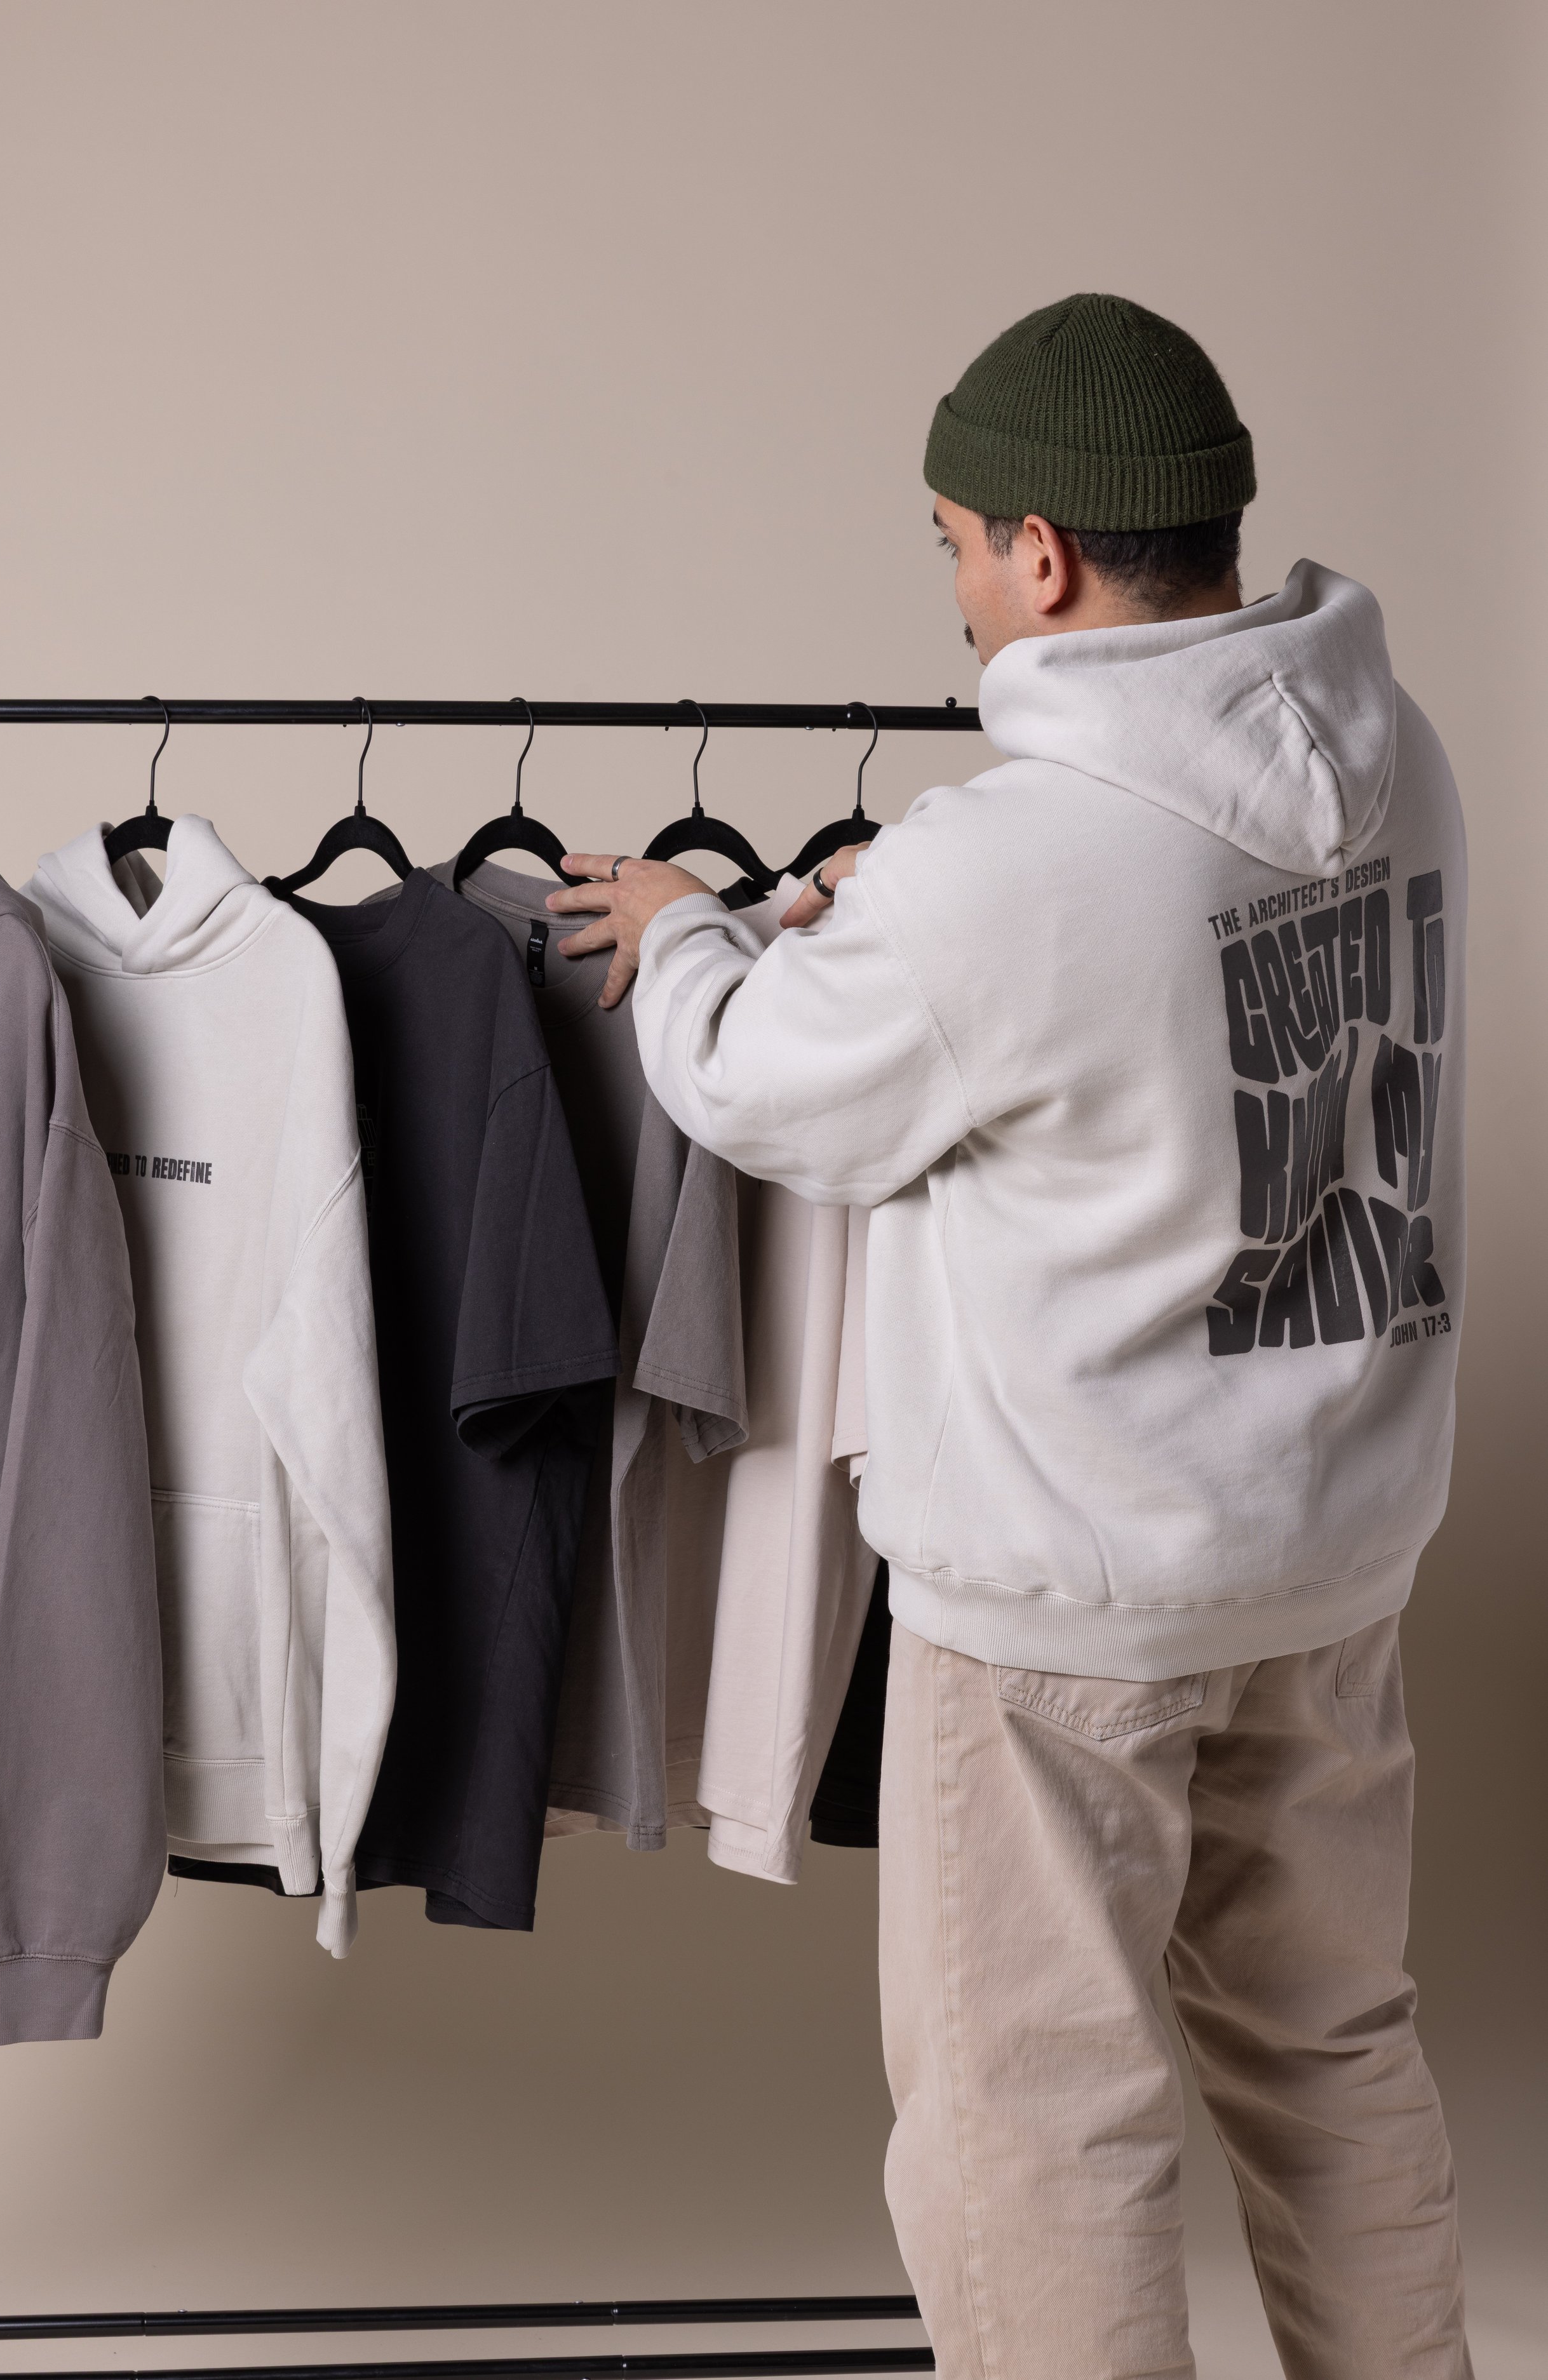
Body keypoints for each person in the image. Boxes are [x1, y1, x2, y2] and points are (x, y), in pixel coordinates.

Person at [549, 293, 1471, 2379]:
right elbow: (1136, 985)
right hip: (1326, 1559)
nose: (958, 592)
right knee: (1332, 2059)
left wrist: (696, 928)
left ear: (1040, 557)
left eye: (955, 542)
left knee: (1032, 2128)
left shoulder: (1005, 863)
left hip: (1067, 1604)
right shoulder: (1395, 752)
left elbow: (772, 1087)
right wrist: (912, 908)